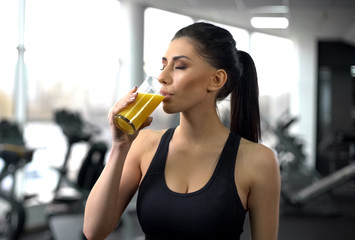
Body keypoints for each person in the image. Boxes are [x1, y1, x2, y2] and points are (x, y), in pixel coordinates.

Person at [83, 22, 280, 240]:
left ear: (216, 80)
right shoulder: (144, 145)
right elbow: (94, 231)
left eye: (179, 67)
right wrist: (120, 148)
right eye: (163, 65)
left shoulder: (259, 160)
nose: (162, 77)